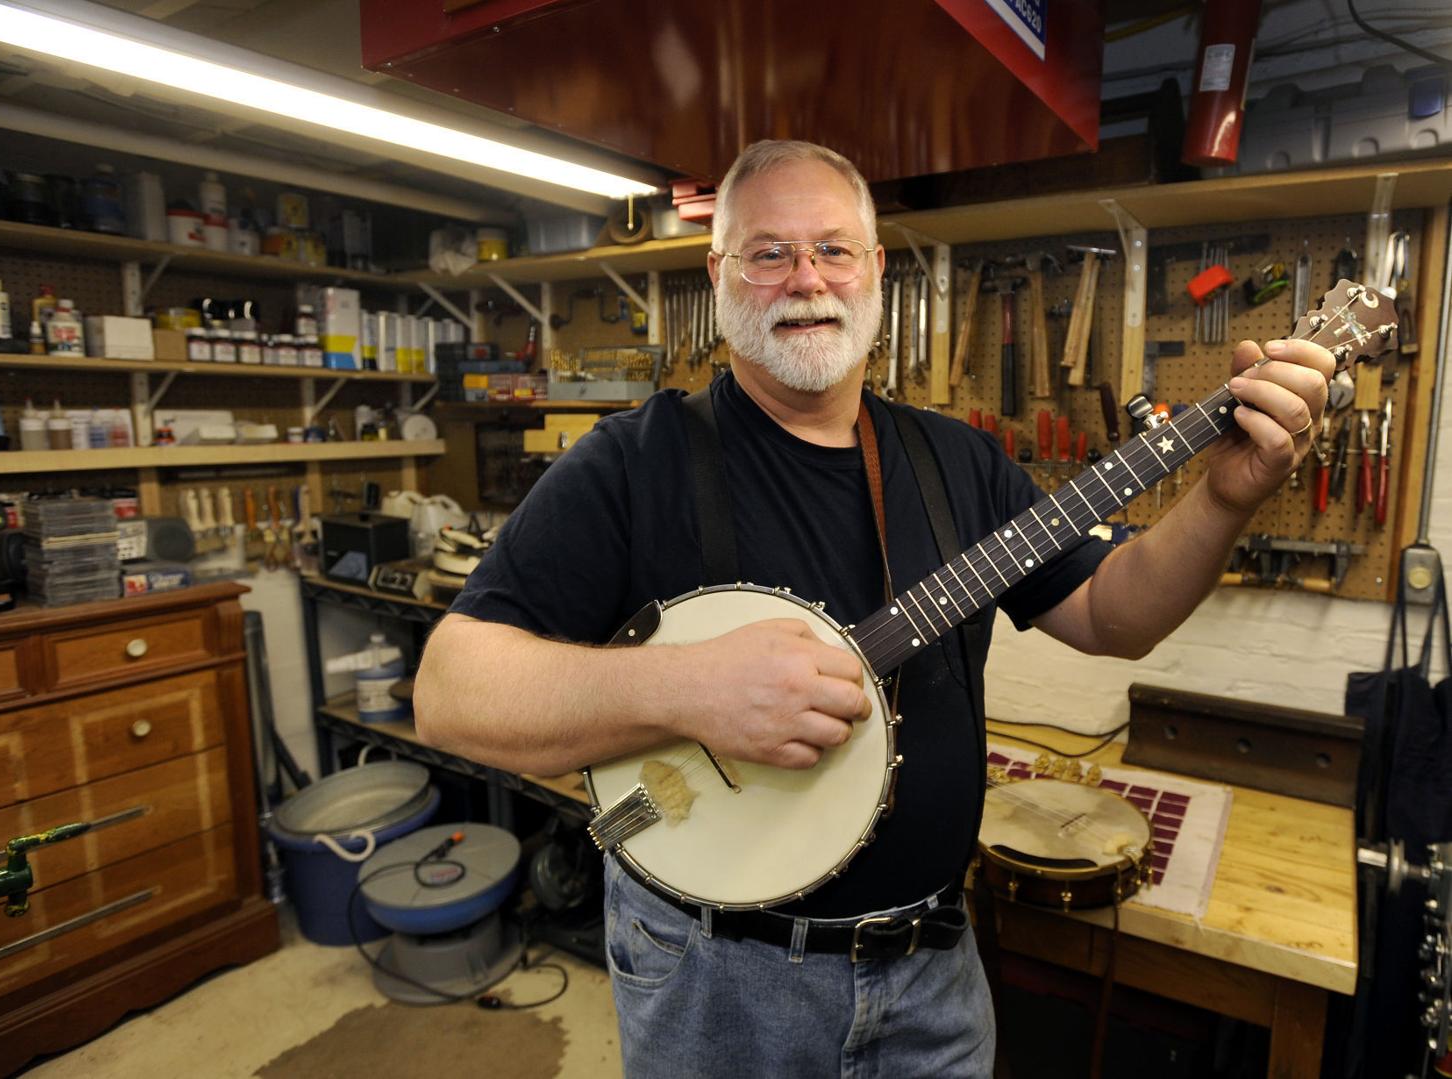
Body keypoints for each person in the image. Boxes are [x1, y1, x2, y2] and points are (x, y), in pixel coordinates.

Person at [414, 139, 1332, 1076]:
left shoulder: (956, 461)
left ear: (876, 270)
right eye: (768, 252)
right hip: (717, 982)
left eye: (834, 248)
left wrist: (1223, 500)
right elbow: (451, 689)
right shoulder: (631, 463)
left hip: (933, 971)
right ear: (718, 273)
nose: (806, 278)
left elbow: (1111, 614)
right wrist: (687, 686)